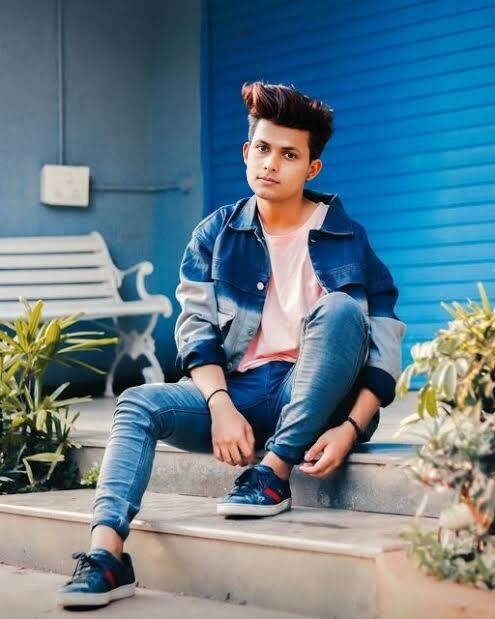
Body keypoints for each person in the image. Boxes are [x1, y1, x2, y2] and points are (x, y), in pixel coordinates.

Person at [57, 81, 407, 608]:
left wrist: (351, 427)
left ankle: (273, 473)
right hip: (238, 392)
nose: (271, 164)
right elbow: (195, 329)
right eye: (262, 148)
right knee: (136, 404)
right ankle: (107, 557)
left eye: (289, 154)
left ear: (312, 168)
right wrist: (220, 405)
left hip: (316, 396)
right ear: (246, 152)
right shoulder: (215, 234)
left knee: (340, 309)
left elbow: (383, 342)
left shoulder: (347, 237)